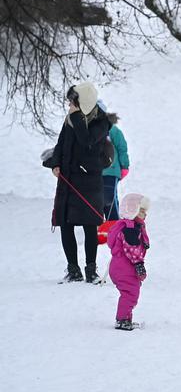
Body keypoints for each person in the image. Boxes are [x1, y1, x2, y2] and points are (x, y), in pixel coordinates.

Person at [50, 82, 111, 284]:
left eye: (73, 102)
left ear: (83, 102)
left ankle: (91, 270)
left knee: (89, 226)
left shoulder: (101, 123)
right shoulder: (70, 120)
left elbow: (87, 142)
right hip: (68, 181)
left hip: (88, 183)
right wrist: (56, 164)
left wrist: (76, 117)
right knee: (66, 224)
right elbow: (61, 144)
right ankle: (73, 269)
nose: (70, 105)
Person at [106, 193, 151, 331]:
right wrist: (139, 265)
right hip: (124, 268)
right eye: (142, 211)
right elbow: (133, 249)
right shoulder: (129, 229)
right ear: (133, 210)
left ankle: (126, 318)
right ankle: (122, 320)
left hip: (123, 267)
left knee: (131, 292)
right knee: (130, 293)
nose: (145, 214)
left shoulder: (130, 226)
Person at [100, 101, 130, 221]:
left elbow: (122, 148)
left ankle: (113, 224)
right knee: (98, 200)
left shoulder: (112, 130)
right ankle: (100, 226)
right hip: (95, 172)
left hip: (111, 171)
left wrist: (124, 166)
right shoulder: (90, 130)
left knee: (110, 200)